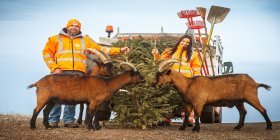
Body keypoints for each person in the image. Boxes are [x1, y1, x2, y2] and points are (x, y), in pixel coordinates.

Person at [42, 19, 129, 128]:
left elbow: (101, 49)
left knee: (73, 97)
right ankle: (53, 120)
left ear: (80, 28)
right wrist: (53, 67)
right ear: (67, 27)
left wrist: (120, 50)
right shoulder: (55, 39)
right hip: (59, 72)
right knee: (56, 96)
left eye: (77, 26)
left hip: (77, 73)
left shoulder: (85, 40)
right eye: (72, 26)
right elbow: (46, 54)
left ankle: (68, 120)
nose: (74, 28)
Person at [152, 34, 201, 125]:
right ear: (179, 41)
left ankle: (188, 120)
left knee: (188, 100)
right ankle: (166, 119)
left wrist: (196, 80)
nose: (185, 43)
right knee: (168, 99)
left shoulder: (193, 54)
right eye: (183, 41)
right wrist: (156, 54)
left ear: (189, 44)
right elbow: (160, 62)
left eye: (187, 42)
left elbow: (196, 68)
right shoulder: (169, 51)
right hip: (171, 80)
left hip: (186, 82)